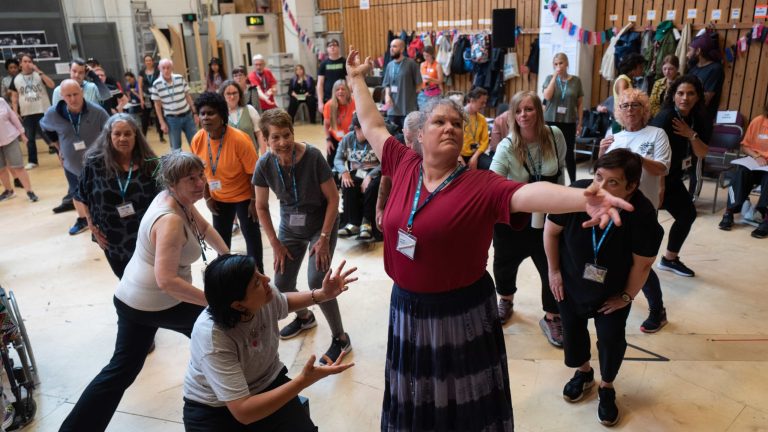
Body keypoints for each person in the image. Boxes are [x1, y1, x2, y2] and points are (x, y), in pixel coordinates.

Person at [345, 46, 633, 431]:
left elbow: (527, 195)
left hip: (460, 311)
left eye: (457, 124)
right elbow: (373, 124)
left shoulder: (478, 184)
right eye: (440, 123)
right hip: (408, 308)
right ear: (419, 136)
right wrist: (355, 78)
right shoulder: (404, 163)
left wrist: (583, 198)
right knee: (419, 397)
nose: (450, 128)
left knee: (464, 401)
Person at [59, 151, 230, 432]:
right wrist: (213, 303)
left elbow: (205, 227)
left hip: (133, 300)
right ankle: (232, 402)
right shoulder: (170, 219)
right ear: (173, 182)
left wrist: (228, 256)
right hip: (156, 301)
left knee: (121, 370)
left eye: (201, 175)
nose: (201, 183)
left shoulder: (177, 200)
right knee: (220, 331)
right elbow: (167, 281)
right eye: (192, 178)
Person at [543, 149, 663, 427]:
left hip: (612, 290)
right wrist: (554, 271)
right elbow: (550, 231)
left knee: (610, 339)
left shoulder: (642, 214)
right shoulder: (578, 194)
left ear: (631, 186)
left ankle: (607, 386)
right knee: (572, 330)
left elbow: (642, 265)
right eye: (598, 177)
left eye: (613, 182)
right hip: (570, 280)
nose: (601, 187)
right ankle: (584, 373)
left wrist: (625, 296)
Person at [182, 254, 357, 431]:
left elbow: (284, 302)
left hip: (265, 381)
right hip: (213, 407)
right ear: (238, 306)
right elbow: (244, 411)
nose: (266, 279)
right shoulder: (213, 337)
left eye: (259, 273)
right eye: (256, 282)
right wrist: (302, 381)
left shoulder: (264, 295)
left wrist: (322, 294)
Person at [253, 108, 352, 364]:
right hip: (289, 228)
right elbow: (261, 207)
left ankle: (341, 338)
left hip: (321, 224)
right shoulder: (264, 164)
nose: (283, 142)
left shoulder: (314, 157)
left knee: (318, 279)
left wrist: (324, 238)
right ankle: (305, 317)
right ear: (266, 140)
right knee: (282, 284)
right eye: (275, 137)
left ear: (293, 133)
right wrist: (275, 243)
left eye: (286, 135)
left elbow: (333, 198)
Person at [490, 91, 567, 343]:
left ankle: (552, 316)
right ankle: (506, 300)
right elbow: (493, 182)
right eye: (519, 110)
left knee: (552, 268)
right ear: (513, 115)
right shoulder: (507, 145)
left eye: (529, 109)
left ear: (538, 111)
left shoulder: (555, 136)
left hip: (547, 217)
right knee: (504, 264)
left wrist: (563, 206)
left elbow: (561, 170)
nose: (524, 115)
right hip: (514, 218)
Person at [599, 88, 671, 333]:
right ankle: (611, 295)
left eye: (635, 105)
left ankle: (657, 310)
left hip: (643, 210)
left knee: (641, 262)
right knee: (616, 256)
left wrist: (635, 159)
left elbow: (662, 168)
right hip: (613, 209)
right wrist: (600, 153)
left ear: (645, 110)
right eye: (624, 106)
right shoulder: (613, 135)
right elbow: (601, 175)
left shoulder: (657, 134)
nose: (629, 109)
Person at [74, 113, 161, 278]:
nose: (123, 138)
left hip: (147, 239)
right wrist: (91, 225)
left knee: (150, 281)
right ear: (109, 136)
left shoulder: (149, 164)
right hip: (112, 240)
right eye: (117, 134)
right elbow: (82, 196)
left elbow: (164, 200)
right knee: (126, 281)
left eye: (128, 133)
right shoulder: (94, 164)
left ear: (136, 135)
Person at [190, 92, 263, 273]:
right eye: (202, 113)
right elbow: (201, 174)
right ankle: (225, 279)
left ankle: (259, 278)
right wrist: (207, 198)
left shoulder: (240, 139)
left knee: (252, 241)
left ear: (222, 116)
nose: (206, 117)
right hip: (219, 197)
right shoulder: (198, 139)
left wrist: (255, 202)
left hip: (245, 198)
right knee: (221, 245)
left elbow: (254, 174)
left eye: (211, 113)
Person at [650, 76, 711, 282]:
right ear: (673, 95)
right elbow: (652, 154)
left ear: (698, 97)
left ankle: (669, 259)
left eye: (690, 93)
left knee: (687, 214)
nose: (685, 98)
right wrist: (659, 187)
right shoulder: (665, 117)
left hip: (673, 176)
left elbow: (702, 153)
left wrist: (690, 134)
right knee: (645, 223)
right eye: (680, 93)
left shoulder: (699, 118)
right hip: (654, 176)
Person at [40, 79, 110, 234]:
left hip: (97, 164)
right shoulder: (53, 113)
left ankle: (103, 218)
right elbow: (44, 127)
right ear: (62, 97)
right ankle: (83, 219)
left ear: (82, 93)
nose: (73, 99)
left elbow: (110, 132)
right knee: (76, 193)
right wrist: (57, 147)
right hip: (71, 165)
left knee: (99, 192)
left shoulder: (97, 112)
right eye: (68, 95)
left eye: (76, 94)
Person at [718, 101, 768, 238]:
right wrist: (756, 156)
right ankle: (729, 211)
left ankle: (764, 215)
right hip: (755, 161)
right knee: (741, 172)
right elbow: (745, 146)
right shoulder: (759, 121)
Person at [335, 113, 381, 241]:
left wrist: (370, 176)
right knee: (348, 183)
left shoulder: (376, 139)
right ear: (356, 128)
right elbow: (338, 159)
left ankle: (367, 223)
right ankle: (353, 223)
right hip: (357, 172)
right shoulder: (347, 139)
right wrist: (344, 171)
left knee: (372, 187)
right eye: (364, 129)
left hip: (375, 172)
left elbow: (385, 161)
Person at [375, 110, 423, 231]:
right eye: (408, 140)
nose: (411, 146)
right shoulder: (397, 144)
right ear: (403, 132)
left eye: (415, 141)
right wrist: (379, 208)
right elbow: (385, 177)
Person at [542, 53, 584, 184]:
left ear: (567, 64)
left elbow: (580, 104)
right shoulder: (550, 78)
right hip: (550, 120)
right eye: (555, 64)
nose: (558, 66)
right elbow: (547, 97)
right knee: (550, 151)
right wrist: (555, 77)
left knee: (569, 154)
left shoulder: (576, 81)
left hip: (569, 121)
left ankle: (573, 182)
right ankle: (550, 180)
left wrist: (580, 122)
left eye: (561, 63)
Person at [8, 53, 54, 169]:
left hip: (42, 110)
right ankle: (33, 161)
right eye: (25, 61)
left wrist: (39, 71)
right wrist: (15, 112)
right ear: (20, 64)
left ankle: (61, 154)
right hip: (27, 113)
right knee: (30, 138)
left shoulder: (38, 75)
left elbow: (52, 85)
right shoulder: (16, 79)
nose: (28, 63)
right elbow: (14, 97)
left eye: (30, 61)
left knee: (49, 135)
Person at [150, 58, 199, 151]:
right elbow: (157, 105)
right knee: (176, 148)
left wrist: (195, 113)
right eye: (163, 68)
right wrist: (162, 123)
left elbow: (188, 96)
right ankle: (178, 165)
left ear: (172, 67)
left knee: (196, 143)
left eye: (168, 67)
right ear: (159, 68)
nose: (166, 70)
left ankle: (199, 164)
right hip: (172, 120)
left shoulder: (179, 78)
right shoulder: (156, 84)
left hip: (188, 116)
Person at [0, 96, 38, 202]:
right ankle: (8, 191)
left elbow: (13, 117)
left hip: (10, 138)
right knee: (1, 169)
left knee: (18, 166)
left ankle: (29, 191)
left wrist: (22, 134)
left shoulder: (1, 101)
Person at [381, 38, 422, 129]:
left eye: (394, 46)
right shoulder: (389, 65)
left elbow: (419, 85)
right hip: (392, 110)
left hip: (407, 110)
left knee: (407, 139)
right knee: (393, 138)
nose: (391, 49)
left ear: (402, 49)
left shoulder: (411, 64)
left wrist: (408, 94)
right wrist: (387, 96)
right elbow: (387, 84)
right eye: (391, 46)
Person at [219, 80, 266, 155]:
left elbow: (260, 134)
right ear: (222, 95)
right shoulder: (219, 115)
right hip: (231, 160)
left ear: (240, 94)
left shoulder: (250, 109)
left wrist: (264, 156)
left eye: (235, 93)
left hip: (251, 157)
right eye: (228, 94)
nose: (232, 96)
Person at [686, 35, 725, 122]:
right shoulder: (693, 68)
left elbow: (706, 99)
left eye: (689, 50)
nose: (687, 54)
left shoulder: (715, 69)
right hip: (689, 115)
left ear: (698, 51)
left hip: (702, 119)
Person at [323, 79, 356, 168]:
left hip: (352, 140)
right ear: (334, 92)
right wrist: (328, 140)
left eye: (343, 89)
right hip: (335, 139)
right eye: (337, 89)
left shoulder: (354, 102)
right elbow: (326, 125)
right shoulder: (329, 105)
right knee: (331, 166)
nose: (340, 91)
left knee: (353, 169)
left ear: (348, 91)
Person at [460, 87, 491, 170]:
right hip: (457, 155)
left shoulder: (482, 119)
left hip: (475, 153)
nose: (484, 106)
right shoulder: (457, 116)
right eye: (482, 103)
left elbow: (485, 142)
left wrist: (475, 157)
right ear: (472, 100)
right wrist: (458, 157)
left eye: (485, 103)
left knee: (492, 166)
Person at [137, 54, 165, 142]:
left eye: (150, 60)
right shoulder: (142, 72)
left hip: (157, 97)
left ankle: (161, 136)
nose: (148, 62)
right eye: (146, 60)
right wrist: (141, 99)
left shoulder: (157, 71)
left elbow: (161, 84)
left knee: (158, 115)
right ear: (144, 62)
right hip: (146, 97)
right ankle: (143, 137)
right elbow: (140, 86)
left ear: (152, 61)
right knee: (145, 117)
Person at [316, 38, 347, 116]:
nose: (332, 47)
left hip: (342, 97)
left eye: (335, 45)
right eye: (330, 46)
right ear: (327, 49)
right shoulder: (323, 64)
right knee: (329, 123)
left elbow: (349, 81)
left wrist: (349, 96)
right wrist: (320, 101)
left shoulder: (344, 62)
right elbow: (320, 84)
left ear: (338, 48)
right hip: (328, 98)